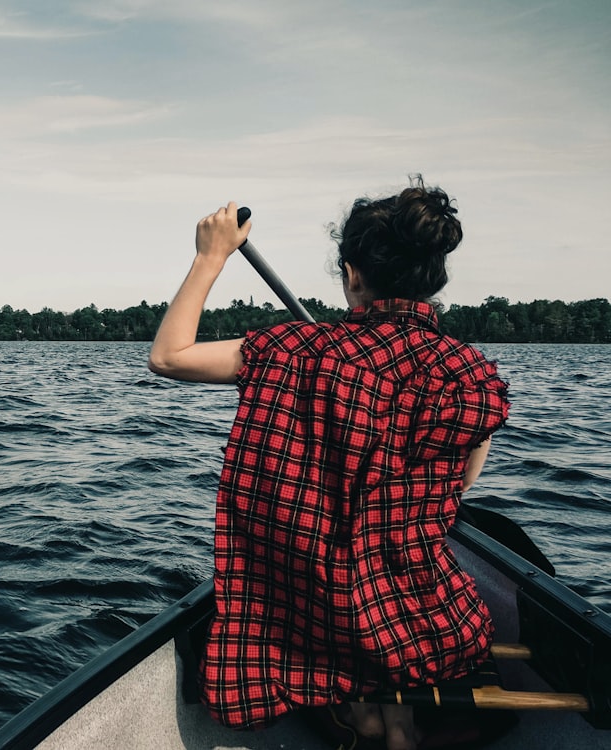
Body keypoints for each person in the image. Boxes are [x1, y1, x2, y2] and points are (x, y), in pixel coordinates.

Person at [148, 180, 509, 750]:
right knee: (389, 599)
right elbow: (457, 490)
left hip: (309, 620)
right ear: (432, 278)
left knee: (330, 599)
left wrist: (210, 255)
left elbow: (169, 356)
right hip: (422, 622)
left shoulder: (291, 350)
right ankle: (392, 727)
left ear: (352, 275)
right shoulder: (472, 374)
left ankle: (362, 722)